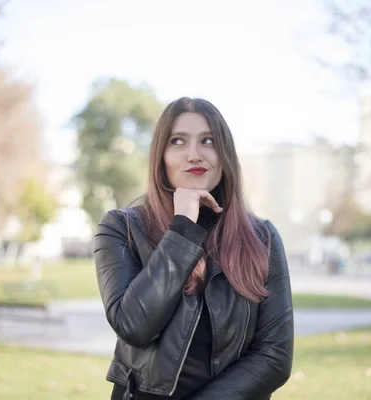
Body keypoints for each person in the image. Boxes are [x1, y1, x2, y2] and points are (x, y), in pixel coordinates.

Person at [94, 97, 294, 400]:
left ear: (224, 154)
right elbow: (133, 326)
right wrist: (182, 229)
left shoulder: (262, 238)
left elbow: (275, 355)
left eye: (208, 141)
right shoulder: (122, 228)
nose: (194, 155)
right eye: (178, 141)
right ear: (160, 156)